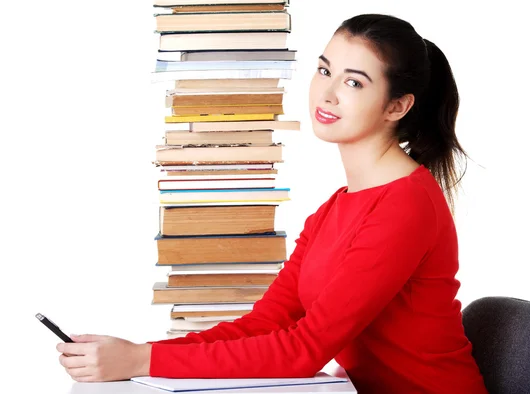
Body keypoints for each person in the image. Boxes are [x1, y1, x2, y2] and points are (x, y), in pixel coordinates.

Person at [56, 14, 489, 394]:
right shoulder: (335, 208)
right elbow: (266, 325)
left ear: (397, 106)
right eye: (324, 70)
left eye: (354, 82)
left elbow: (303, 351)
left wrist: (139, 362)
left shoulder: (406, 205)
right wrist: (137, 354)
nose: (328, 93)